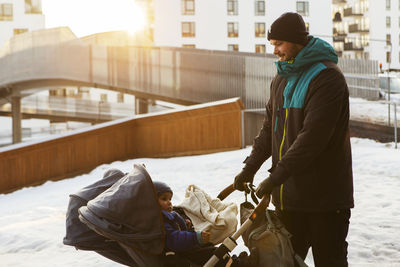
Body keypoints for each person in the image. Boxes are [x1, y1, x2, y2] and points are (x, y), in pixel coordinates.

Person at [233, 12, 354, 267]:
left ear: (297, 41)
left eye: (279, 44)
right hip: (290, 200)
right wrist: (249, 168)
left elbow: (312, 139)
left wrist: (275, 177)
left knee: (329, 261)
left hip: (325, 200)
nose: (275, 51)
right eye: (272, 45)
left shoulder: (327, 78)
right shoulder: (281, 79)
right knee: (284, 262)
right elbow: (269, 130)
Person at [153, 181, 230, 267]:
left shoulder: (167, 217)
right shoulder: (159, 222)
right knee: (210, 253)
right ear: (152, 202)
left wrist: (184, 225)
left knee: (208, 247)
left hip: (181, 248)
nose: (169, 202)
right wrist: (195, 237)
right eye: (164, 199)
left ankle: (231, 262)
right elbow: (174, 238)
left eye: (170, 199)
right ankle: (233, 263)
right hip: (176, 253)